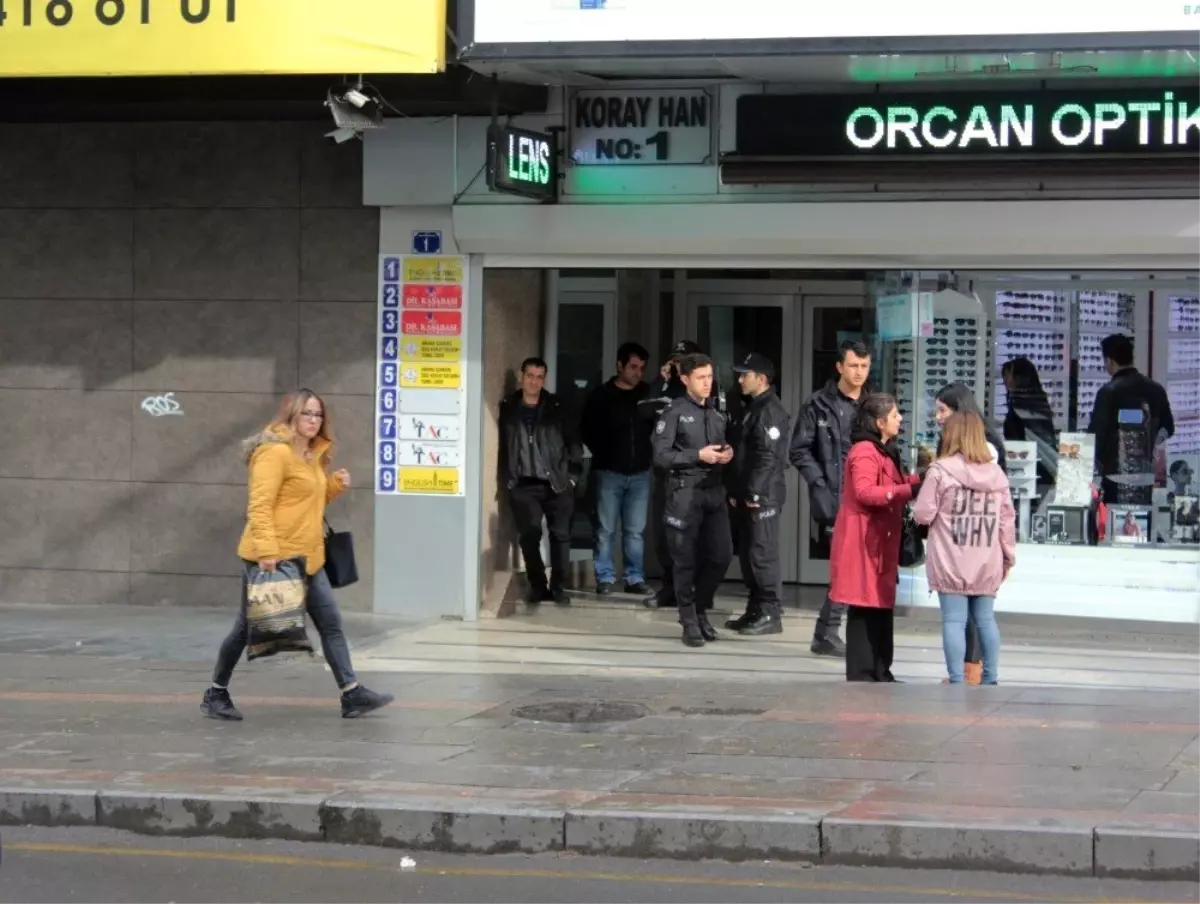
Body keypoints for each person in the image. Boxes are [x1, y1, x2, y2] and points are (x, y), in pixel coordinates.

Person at [201, 389, 393, 722]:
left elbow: (303, 504)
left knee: (331, 624)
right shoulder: (274, 453)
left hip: (309, 557)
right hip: (273, 557)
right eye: (307, 414)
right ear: (290, 415)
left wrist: (331, 486)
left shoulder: (312, 454)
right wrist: (267, 552)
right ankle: (216, 692)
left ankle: (352, 693)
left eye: (318, 415)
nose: (313, 421)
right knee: (245, 630)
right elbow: (260, 506)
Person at [913, 411, 1017, 686]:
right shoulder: (997, 475)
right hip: (986, 559)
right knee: (985, 619)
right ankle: (991, 678)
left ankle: (957, 680)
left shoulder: (940, 471)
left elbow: (922, 514)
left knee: (953, 621)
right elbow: (1007, 521)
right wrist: (1008, 558)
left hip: (950, 559)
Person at [828, 393, 921, 682]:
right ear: (880, 422)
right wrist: (908, 490)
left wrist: (919, 480)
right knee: (864, 605)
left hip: (878, 540)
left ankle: (880, 669)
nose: (900, 419)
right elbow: (867, 492)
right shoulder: (865, 451)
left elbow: (896, 484)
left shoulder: (883, 449)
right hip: (864, 541)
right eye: (895, 415)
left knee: (879, 604)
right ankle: (864, 672)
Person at [790, 338, 872, 656]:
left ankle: (829, 632)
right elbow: (798, 449)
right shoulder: (818, 404)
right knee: (848, 567)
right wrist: (819, 483)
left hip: (866, 497)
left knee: (856, 568)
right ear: (839, 366)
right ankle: (827, 632)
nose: (859, 372)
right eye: (853, 365)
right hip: (835, 497)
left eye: (864, 366)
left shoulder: (872, 405)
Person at [652, 353, 734, 647]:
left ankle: (699, 609)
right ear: (685, 379)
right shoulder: (673, 412)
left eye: (710, 377)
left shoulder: (716, 413)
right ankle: (689, 620)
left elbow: (719, 447)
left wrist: (727, 454)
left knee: (721, 556)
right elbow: (660, 456)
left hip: (713, 492)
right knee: (684, 560)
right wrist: (696, 456)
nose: (706, 383)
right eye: (700, 378)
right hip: (684, 492)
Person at [932, 383, 1007, 686]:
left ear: (959, 413)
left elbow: (927, 510)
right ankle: (981, 676)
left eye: (942, 410)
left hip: (961, 546)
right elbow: (1006, 513)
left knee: (961, 618)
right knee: (981, 617)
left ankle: (965, 674)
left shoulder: (982, 450)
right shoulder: (989, 453)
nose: (938, 417)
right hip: (985, 545)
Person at [498, 357, 583, 605]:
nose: (534, 381)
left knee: (560, 536)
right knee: (529, 536)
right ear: (521, 376)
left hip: (557, 482)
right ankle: (538, 586)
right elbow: (504, 446)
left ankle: (559, 587)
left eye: (539, 377)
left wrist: (573, 477)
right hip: (523, 483)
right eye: (530, 375)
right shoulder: (508, 407)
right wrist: (508, 480)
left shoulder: (557, 406)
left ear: (544, 379)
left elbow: (574, 443)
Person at [581, 342, 654, 596]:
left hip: (640, 473)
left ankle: (634, 578)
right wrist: (605, 453)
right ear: (619, 366)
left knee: (635, 531)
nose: (638, 373)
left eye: (642, 368)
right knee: (605, 529)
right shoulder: (601, 396)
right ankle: (605, 577)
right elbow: (587, 430)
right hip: (609, 472)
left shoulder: (647, 394)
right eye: (633, 367)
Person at [725, 353, 791, 636]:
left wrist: (753, 492)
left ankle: (770, 612)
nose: (740, 379)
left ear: (761, 379)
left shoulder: (770, 411)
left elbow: (769, 457)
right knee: (750, 556)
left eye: (745, 374)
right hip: (747, 494)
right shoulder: (753, 407)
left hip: (761, 496)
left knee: (762, 554)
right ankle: (755, 609)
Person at [640, 339, 700, 609]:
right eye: (675, 360)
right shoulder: (666, 386)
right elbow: (645, 409)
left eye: (683, 360)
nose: (678, 365)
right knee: (664, 535)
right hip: (665, 472)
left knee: (690, 536)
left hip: (693, 474)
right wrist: (661, 380)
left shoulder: (701, 388)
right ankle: (668, 587)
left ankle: (691, 591)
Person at [1088, 334, 1174, 504]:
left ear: (1109, 361)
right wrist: (1147, 446)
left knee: (1117, 524)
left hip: (1115, 477)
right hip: (1147, 476)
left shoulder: (1109, 392)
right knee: (1141, 524)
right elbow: (1168, 428)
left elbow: (1097, 435)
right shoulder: (1156, 389)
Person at [1000, 356, 1058, 489]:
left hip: (1029, 473)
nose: (1005, 381)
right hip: (1037, 472)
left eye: (1008, 375)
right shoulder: (1037, 406)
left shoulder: (1021, 410)